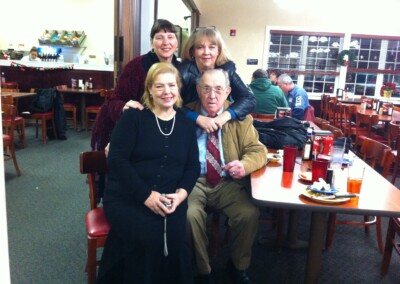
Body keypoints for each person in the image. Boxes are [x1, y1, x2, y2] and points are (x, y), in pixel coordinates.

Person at [96, 63, 200, 284]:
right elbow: (117, 160)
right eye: (159, 86)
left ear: (179, 88)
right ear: (149, 90)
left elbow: (192, 166)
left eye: (171, 85)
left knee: (175, 239)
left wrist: (181, 195)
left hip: (171, 197)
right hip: (128, 195)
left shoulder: (185, 124)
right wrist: (146, 195)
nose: (166, 91)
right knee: (147, 238)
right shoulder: (133, 118)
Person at [186, 69, 267, 284]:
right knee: (189, 215)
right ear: (197, 90)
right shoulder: (185, 114)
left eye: (218, 89)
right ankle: (204, 271)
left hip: (227, 182)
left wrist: (244, 164)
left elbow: (258, 151)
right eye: (206, 89)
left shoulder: (240, 117)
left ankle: (238, 265)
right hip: (193, 181)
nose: (212, 96)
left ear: (228, 91)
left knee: (248, 213)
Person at [91, 19, 180, 151]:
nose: (166, 42)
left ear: (177, 42)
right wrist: (124, 106)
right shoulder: (135, 66)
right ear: (152, 43)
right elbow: (114, 101)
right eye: (159, 37)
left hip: (166, 132)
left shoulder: (182, 69)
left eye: (170, 37)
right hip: (134, 131)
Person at [178, 27, 256, 133]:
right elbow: (170, 104)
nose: (206, 52)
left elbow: (249, 99)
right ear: (192, 51)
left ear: (218, 51)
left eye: (212, 47)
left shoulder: (227, 70)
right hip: (187, 128)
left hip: (220, 128)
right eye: (200, 47)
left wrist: (225, 116)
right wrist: (197, 118)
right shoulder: (182, 73)